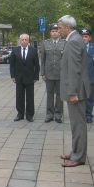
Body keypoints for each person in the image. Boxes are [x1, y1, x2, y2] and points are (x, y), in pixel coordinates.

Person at [58, 15, 90, 167]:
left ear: (68, 27)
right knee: (76, 124)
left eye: (60, 28)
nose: (58, 31)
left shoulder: (73, 42)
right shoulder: (74, 39)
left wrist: (72, 92)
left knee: (78, 125)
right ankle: (76, 151)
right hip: (77, 89)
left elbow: (74, 70)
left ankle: (78, 157)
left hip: (76, 91)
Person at [10, 34, 40, 122]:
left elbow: (37, 65)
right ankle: (20, 114)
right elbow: (12, 65)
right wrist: (12, 76)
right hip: (18, 78)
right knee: (19, 97)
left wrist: (36, 76)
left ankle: (30, 115)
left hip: (30, 78)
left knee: (30, 97)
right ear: (20, 41)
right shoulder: (15, 50)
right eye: (22, 40)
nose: (24, 41)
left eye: (25, 40)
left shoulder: (33, 51)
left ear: (28, 41)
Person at [41, 23, 66, 123]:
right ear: (50, 32)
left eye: (56, 31)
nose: (54, 32)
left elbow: (66, 59)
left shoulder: (65, 43)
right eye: (52, 31)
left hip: (61, 74)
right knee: (50, 95)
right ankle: (49, 114)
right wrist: (43, 73)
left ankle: (59, 114)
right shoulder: (45, 43)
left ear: (59, 32)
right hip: (49, 74)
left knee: (60, 95)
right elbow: (42, 60)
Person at [81, 28, 94, 123]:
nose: (84, 38)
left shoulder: (93, 48)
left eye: (86, 36)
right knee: (81, 97)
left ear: (90, 38)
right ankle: (81, 115)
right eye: (82, 36)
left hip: (91, 78)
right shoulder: (77, 48)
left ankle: (88, 115)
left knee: (89, 98)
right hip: (80, 79)